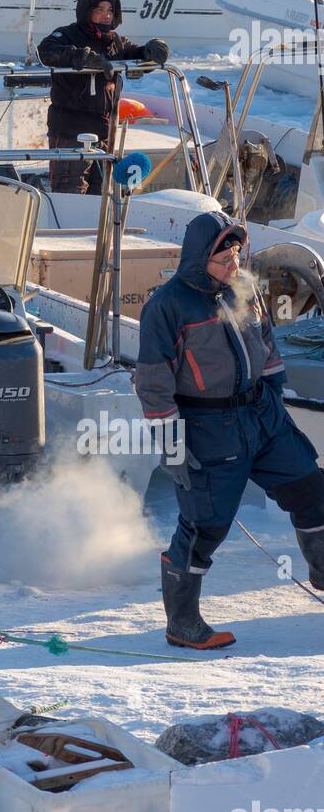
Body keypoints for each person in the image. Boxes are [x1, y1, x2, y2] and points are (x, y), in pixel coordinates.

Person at [136, 211, 324, 650]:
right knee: (205, 525)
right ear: (201, 257)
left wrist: (276, 392)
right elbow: (153, 381)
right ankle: (182, 623)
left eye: (237, 256)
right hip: (209, 426)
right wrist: (171, 443)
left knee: (312, 490)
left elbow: (266, 342)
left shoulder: (244, 288)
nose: (233, 266)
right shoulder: (168, 306)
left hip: (262, 417)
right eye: (224, 259)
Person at [37, 0, 169, 194]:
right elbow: (46, 52)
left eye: (110, 10)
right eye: (99, 9)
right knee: (69, 192)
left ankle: (95, 227)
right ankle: (66, 226)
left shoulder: (115, 41)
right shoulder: (68, 35)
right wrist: (83, 57)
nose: (106, 15)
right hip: (71, 132)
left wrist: (151, 51)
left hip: (104, 132)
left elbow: (135, 54)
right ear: (86, 10)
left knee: (101, 195)